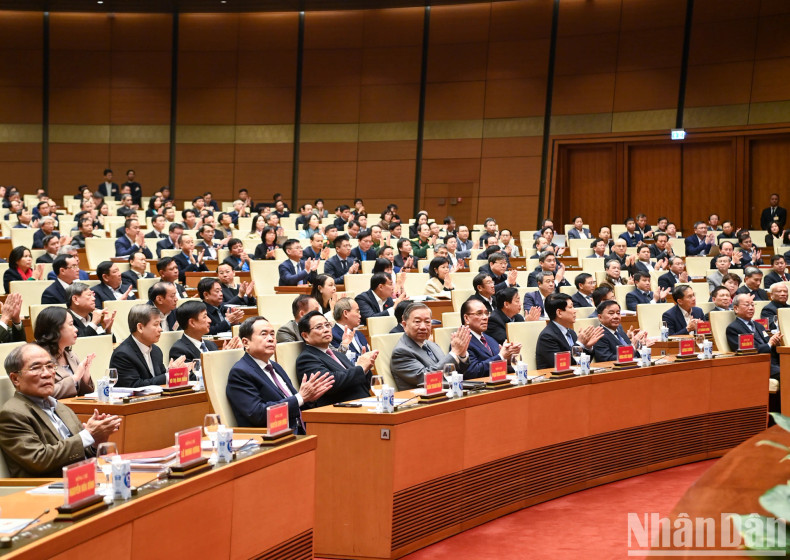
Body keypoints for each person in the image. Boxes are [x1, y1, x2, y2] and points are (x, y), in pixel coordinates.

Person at [0, 344, 121, 477]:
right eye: (36, 368)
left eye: (50, 366)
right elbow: (39, 460)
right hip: (48, 485)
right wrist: (88, 435)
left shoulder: (62, 408)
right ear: (15, 378)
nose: (47, 374)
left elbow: (79, 453)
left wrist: (96, 442)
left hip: (84, 478)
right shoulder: (13, 414)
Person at [226, 317, 334, 434]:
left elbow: (295, 402)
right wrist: (300, 398)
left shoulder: (275, 366)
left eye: (272, 334)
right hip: (272, 437)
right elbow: (258, 414)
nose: (271, 339)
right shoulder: (240, 373)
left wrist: (309, 399)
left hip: (299, 430)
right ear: (246, 343)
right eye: (264, 334)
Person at [295, 310, 377, 406]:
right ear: (305, 336)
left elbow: (363, 382)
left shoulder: (338, 354)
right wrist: (361, 368)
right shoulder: (307, 358)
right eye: (319, 327)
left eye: (327, 325)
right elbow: (330, 383)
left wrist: (366, 368)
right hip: (339, 409)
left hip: (363, 402)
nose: (326, 330)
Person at [390, 303, 470, 391]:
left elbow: (452, 374)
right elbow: (427, 379)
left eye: (427, 322)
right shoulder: (401, 352)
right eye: (417, 322)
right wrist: (454, 353)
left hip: (446, 393)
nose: (423, 327)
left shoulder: (432, 345)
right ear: (405, 325)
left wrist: (462, 355)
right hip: (421, 398)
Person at [111, 304, 186, 388]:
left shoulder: (156, 351)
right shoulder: (122, 354)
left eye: (160, 324)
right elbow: (134, 386)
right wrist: (168, 376)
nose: (160, 329)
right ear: (140, 327)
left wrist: (172, 372)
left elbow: (159, 379)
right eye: (156, 324)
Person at [34, 307, 95, 398]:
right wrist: (75, 378)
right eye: (71, 324)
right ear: (55, 329)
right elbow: (42, 394)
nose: (76, 329)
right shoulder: (37, 358)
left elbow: (84, 394)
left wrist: (85, 376)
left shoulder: (70, 355)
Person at [534, 293, 604, 370]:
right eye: (570, 307)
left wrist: (587, 347)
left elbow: (580, 363)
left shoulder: (571, 333)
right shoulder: (547, 337)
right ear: (559, 313)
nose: (575, 310)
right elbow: (561, 364)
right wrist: (579, 344)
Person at [726, 294, 781, 386]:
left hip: (774, 362)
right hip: (757, 365)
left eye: (752, 305)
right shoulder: (733, 328)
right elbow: (747, 351)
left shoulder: (759, 325)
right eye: (747, 305)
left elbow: (769, 343)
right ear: (736, 308)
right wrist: (769, 344)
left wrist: (776, 342)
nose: (751, 308)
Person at [462, 298, 521, 378]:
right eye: (479, 313)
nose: (485, 317)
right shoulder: (461, 342)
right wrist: (501, 356)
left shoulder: (490, 339)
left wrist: (509, 358)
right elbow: (472, 371)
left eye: (486, 313)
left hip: (500, 381)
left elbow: (501, 365)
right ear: (466, 318)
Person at [168, 300, 241, 362]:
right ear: (192, 323)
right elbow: (193, 374)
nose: (210, 320)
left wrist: (224, 355)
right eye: (204, 317)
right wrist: (221, 358)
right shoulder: (179, 350)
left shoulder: (211, 345)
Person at [330, 298, 369, 364]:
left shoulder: (359, 334)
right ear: (345, 313)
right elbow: (340, 360)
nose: (360, 316)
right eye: (357, 311)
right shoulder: (332, 335)